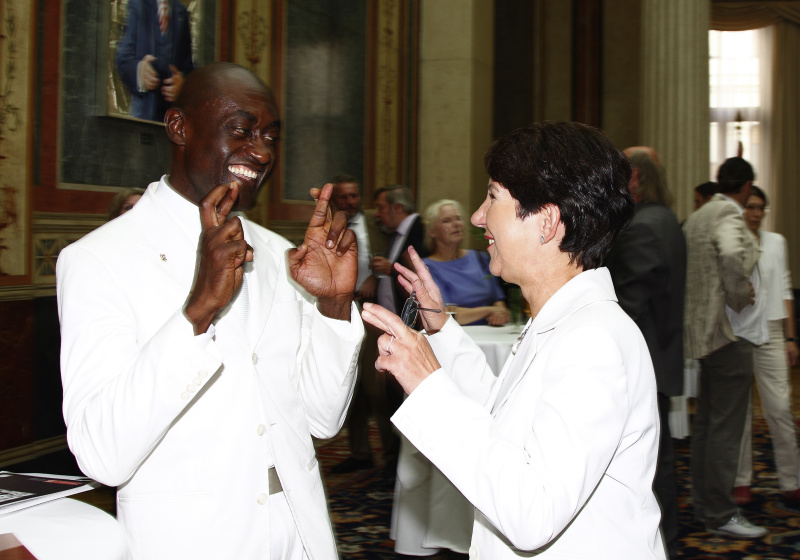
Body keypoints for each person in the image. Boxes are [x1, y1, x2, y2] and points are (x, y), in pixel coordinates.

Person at [56, 63, 363, 560]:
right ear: (179, 128)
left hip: (300, 537)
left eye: (270, 137)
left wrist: (333, 306)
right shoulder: (98, 260)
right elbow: (101, 455)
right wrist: (196, 312)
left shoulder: (279, 253)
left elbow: (322, 422)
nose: (262, 152)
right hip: (193, 542)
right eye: (241, 131)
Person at [362, 121, 666, 559]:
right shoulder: (565, 321)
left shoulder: (593, 341)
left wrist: (427, 385)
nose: (477, 217)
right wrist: (440, 328)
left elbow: (532, 512)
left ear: (546, 221)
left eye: (493, 197)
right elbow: (502, 424)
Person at [604, 147, 686, 559]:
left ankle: (657, 542)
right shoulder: (667, 219)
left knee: (646, 465)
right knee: (659, 460)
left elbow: (628, 307)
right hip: (663, 354)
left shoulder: (641, 227)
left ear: (634, 177)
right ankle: (664, 540)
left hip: (642, 362)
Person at [683, 156, 764, 539]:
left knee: (708, 427)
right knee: (726, 430)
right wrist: (739, 296)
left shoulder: (699, 214)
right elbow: (732, 255)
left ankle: (704, 504)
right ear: (746, 187)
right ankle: (719, 512)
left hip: (703, 332)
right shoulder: (730, 215)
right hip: (728, 334)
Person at [733, 185, 800, 505]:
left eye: (761, 208)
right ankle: (741, 480)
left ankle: (791, 480)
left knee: (781, 409)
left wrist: (790, 337)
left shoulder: (777, 243)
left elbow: (785, 288)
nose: (756, 213)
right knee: (742, 412)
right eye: (750, 207)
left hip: (773, 331)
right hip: (740, 332)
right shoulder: (732, 241)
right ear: (741, 209)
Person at [328, 174, 400, 476]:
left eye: (354, 196)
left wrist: (376, 277)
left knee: (377, 386)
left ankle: (392, 455)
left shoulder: (377, 223)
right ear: (335, 201)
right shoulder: (326, 227)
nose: (350, 202)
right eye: (344, 197)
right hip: (341, 311)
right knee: (348, 385)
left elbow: (392, 259)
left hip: (372, 312)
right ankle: (360, 452)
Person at [422, 199, 509, 326]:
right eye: (447, 221)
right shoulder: (427, 268)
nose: (456, 224)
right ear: (432, 232)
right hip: (455, 337)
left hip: (491, 334)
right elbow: (446, 314)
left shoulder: (480, 258)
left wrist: (499, 313)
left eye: (458, 218)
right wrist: (490, 311)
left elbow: (498, 299)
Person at [116, 0, 195, 122]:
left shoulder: (181, 12)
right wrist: (139, 70)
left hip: (170, 117)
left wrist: (182, 84)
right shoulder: (138, 4)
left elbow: (188, 67)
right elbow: (123, 57)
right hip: (142, 113)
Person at [371, 185, 430, 315]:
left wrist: (392, 269)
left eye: (381, 207)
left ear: (398, 208)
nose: (376, 214)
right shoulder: (397, 233)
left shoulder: (420, 229)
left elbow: (424, 271)